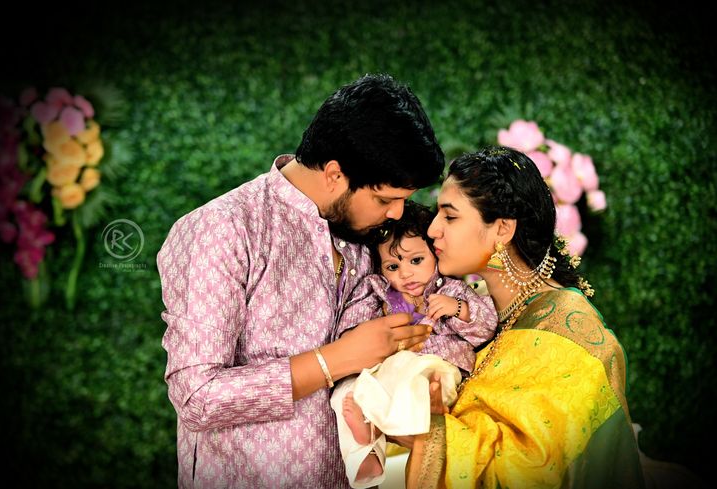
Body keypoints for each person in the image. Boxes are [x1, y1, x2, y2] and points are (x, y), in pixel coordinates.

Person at [156, 73, 446, 489]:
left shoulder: (366, 238)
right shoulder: (222, 229)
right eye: (385, 199)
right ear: (333, 173)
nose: (399, 214)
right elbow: (197, 396)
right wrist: (336, 359)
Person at [401, 146, 646, 488]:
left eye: (450, 216)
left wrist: (422, 431)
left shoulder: (568, 328)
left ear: (502, 230)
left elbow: (533, 469)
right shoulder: (480, 313)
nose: (432, 230)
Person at [330, 201, 497, 488]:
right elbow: (350, 329)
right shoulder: (378, 291)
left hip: (436, 368)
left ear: (435, 254)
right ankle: (367, 452)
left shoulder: (450, 288)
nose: (405, 274)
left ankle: (396, 424)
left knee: (414, 379)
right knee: (343, 394)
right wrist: (370, 328)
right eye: (393, 266)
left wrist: (458, 308)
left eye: (416, 261)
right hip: (388, 368)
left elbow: (485, 328)